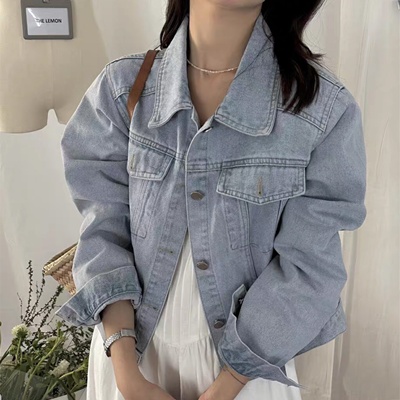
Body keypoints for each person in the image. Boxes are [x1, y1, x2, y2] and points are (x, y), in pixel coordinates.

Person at [55, 0, 368, 399]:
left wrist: (227, 385)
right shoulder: (122, 89)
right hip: (130, 361)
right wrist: (128, 375)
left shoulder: (320, 108)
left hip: (247, 371)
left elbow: (309, 269)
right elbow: (104, 233)